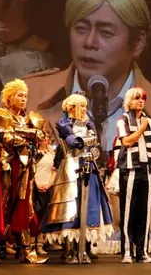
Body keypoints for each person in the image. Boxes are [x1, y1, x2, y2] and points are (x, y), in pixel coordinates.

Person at [23, 0, 151, 156]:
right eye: (81, 29)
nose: (89, 42)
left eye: (106, 33)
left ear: (137, 42)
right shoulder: (26, 97)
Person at [0, 78, 49, 265]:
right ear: (10, 97)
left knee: (25, 206)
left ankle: (26, 250)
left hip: (25, 166)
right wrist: (27, 135)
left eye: (25, 96)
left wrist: (19, 134)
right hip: (6, 166)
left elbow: (40, 135)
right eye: (20, 95)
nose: (24, 99)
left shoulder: (29, 119)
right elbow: (5, 138)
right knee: (0, 205)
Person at [45, 93, 114, 263]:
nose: (84, 109)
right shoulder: (64, 124)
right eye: (81, 106)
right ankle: (70, 250)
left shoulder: (89, 124)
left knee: (90, 206)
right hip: (71, 168)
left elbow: (95, 145)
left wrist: (91, 146)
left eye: (85, 106)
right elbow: (74, 142)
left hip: (89, 166)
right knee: (71, 208)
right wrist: (88, 141)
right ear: (71, 108)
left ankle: (85, 247)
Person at [115, 87, 151, 264]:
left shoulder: (150, 122)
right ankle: (127, 251)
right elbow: (126, 141)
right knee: (128, 212)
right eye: (137, 98)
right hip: (130, 170)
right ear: (129, 101)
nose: (141, 101)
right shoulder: (123, 119)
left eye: (143, 98)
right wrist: (141, 129)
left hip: (146, 170)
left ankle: (142, 252)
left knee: (144, 212)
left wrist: (148, 158)